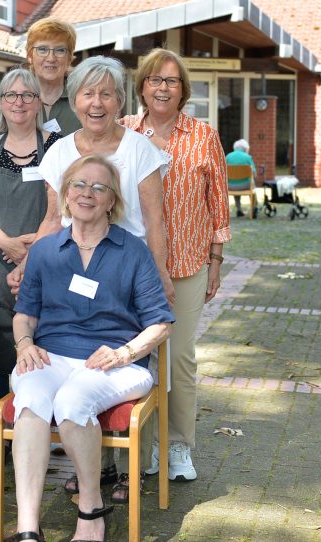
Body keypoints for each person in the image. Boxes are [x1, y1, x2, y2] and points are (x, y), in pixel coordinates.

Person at [6, 55, 172, 497]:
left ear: (120, 100)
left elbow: (155, 221)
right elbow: (50, 219)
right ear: (72, 99)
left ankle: (120, 469)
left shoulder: (141, 150)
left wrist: (160, 274)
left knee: (115, 358)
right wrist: (29, 264)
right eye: (87, 93)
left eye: (106, 94)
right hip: (71, 262)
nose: (96, 103)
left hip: (125, 268)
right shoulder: (60, 152)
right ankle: (91, 473)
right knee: (75, 357)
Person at [9, 155, 174, 542]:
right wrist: (24, 344)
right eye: (79, 185)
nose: (87, 194)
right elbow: (24, 314)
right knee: (30, 397)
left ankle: (91, 510)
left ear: (112, 200)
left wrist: (125, 354)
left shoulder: (132, 250)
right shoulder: (47, 250)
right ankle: (27, 528)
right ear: (66, 194)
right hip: (51, 355)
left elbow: (161, 322)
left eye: (99, 187)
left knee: (71, 401)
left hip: (115, 362)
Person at [121, 48, 230, 484]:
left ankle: (179, 446)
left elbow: (218, 203)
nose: (162, 87)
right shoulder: (124, 132)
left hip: (187, 264)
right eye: (154, 80)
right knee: (135, 360)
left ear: (183, 90)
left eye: (171, 81)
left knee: (178, 359)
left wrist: (216, 260)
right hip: (130, 269)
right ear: (142, 87)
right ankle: (141, 449)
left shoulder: (203, 136)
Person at [0, 69, 61, 405]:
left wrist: (33, 250)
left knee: (43, 345)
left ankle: (39, 427)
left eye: (27, 95)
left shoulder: (57, 147)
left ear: (39, 103)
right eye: (11, 95)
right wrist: (8, 243)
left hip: (46, 261)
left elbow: (62, 208)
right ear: (1, 103)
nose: (18, 102)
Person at [0, 17, 80, 139]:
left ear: (69, 57)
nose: (51, 58)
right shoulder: (10, 97)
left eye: (60, 50)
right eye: (42, 49)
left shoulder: (82, 98)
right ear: (30, 54)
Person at [225, 139, 256, 217]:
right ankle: (254, 208)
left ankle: (239, 209)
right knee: (253, 186)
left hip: (231, 186)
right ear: (245, 148)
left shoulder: (228, 156)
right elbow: (254, 174)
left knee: (235, 182)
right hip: (246, 185)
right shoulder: (248, 157)